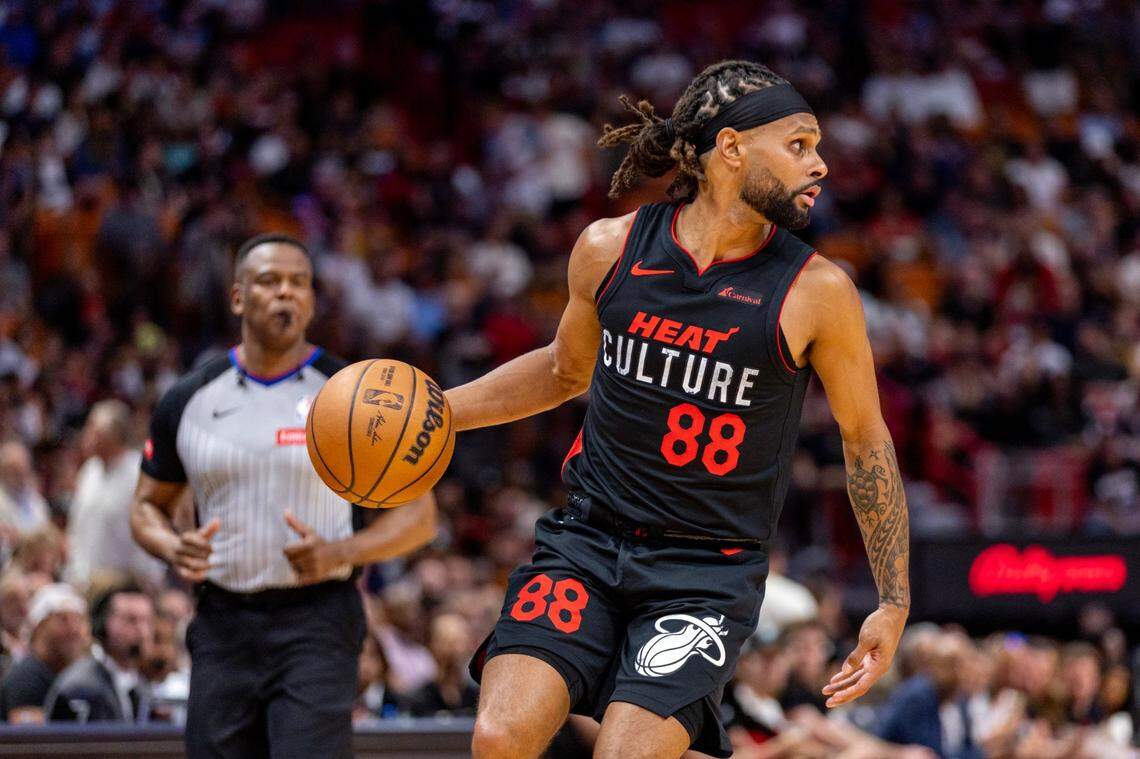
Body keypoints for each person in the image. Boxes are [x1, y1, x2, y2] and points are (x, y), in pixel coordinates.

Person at [445, 60, 911, 759]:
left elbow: (865, 441)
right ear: (732, 148)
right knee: (499, 735)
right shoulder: (610, 247)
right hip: (587, 541)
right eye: (799, 144)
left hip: (705, 572)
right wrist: (441, 412)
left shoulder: (817, 292)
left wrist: (894, 600)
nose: (819, 165)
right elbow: (562, 370)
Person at [130, 234, 439, 759]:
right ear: (237, 297)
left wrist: (340, 552)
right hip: (222, 619)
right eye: (270, 281)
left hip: (318, 620)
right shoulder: (190, 397)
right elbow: (145, 506)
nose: (285, 293)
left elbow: (421, 517)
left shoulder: (354, 396)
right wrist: (171, 546)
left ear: (312, 301)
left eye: (299, 283)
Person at [66, 400, 164, 590]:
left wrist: (145, 583)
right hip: (85, 581)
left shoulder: (139, 475)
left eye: (93, 428)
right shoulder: (89, 471)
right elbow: (77, 526)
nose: (86, 435)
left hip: (125, 584)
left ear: (113, 435)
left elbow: (151, 532)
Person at [44, 584, 154, 722]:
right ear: (102, 624)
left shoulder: (140, 686)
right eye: (131, 620)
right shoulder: (81, 686)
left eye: (148, 621)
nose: (143, 631)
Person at [0, 583, 89, 723]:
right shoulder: (27, 678)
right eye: (63, 620)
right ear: (39, 628)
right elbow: (28, 735)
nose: (74, 629)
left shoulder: (80, 676)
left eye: (78, 620)